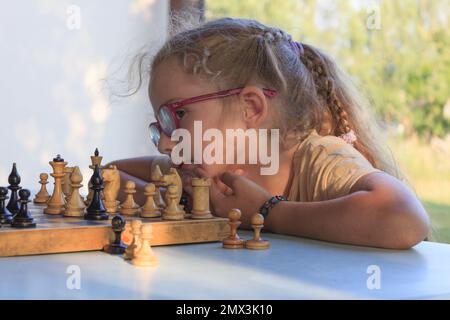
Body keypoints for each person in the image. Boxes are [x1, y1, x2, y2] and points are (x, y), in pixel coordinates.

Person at [109, 17, 429, 249]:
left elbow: (404, 219)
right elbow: (111, 173)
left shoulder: (319, 160)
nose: (166, 141)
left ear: (251, 107)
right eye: (161, 123)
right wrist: (172, 199)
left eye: (177, 114)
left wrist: (268, 212)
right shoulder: (199, 173)